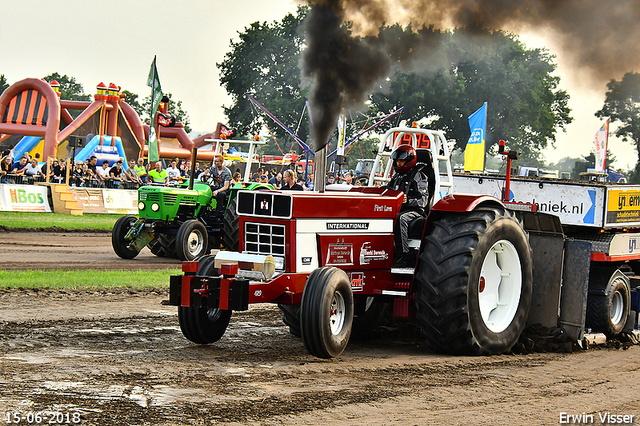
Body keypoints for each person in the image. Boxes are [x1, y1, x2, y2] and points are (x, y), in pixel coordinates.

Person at [384, 144, 429, 267]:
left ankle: (402, 256)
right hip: (397, 208)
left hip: (415, 211)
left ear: (409, 161)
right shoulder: (396, 176)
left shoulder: (419, 177)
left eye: (401, 161)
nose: (398, 163)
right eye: (397, 161)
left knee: (401, 219)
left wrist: (407, 200)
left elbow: (423, 201)